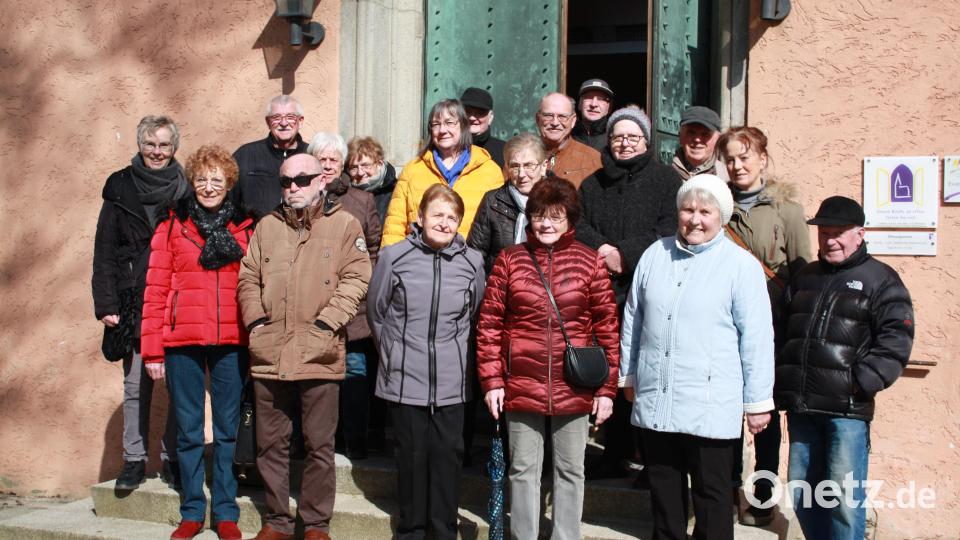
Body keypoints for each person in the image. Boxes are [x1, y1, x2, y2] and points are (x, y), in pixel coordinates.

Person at [620, 174, 775, 540]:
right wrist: (628, 376)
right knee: (664, 493)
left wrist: (757, 402)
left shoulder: (740, 266)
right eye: (688, 210)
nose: (695, 219)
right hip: (658, 396)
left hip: (709, 403)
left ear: (721, 216)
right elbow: (633, 319)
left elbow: (756, 338)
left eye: (705, 212)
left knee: (712, 495)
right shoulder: (655, 255)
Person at [476, 177, 620, 540]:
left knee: (571, 469)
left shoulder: (589, 261)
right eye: (539, 215)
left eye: (556, 216)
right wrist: (492, 381)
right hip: (521, 381)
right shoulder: (510, 260)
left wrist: (606, 390)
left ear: (570, 220)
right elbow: (490, 324)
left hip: (574, 383)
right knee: (523, 469)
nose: (546, 224)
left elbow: (607, 327)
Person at [237, 154, 371, 540]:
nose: (293, 187)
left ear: (321, 181)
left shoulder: (344, 224)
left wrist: (327, 324)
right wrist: (256, 323)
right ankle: (277, 521)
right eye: (286, 181)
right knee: (270, 444)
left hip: (320, 351)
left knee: (319, 445)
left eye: (302, 179)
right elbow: (248, 279)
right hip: (270, 351)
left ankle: (315, 525)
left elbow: (357, 277)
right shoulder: (267, 227)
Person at [775, 196, 914, 540]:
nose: (830, 240)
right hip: (803, 408)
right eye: (824, 232)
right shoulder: (805, 277)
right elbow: (782, 332)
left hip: (846, 412)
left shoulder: (881, 279)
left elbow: (896, 339)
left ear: (859, 234)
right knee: (803, 492)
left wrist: (860, 382)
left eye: (838, 233)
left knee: (843, 500)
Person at [139, 145, 256, 540]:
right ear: (192, 182)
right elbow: (155, 289)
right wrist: (152, 349)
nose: (208, 187)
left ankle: (224, 511)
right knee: (188, 431)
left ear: (229, 183)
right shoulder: (172, 225)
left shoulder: (246, 227)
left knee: (226, 431)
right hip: (182, 340)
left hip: (231, 340)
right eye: (202, 179)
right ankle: (191, 510)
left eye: (216, 180)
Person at [367, 185, 486, 540]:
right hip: (405, 377)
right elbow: (377, 312)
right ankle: (412, 531)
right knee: (412, 458)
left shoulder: (472, 262)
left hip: (452, 381)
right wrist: (393, 355)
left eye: (452, 217)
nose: (444, 223)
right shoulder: (394, 257)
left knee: (448, 458)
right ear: (420, 217)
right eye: (437, 215)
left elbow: (475, 315)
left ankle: (443, 531)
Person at [577, 107, 682, 480]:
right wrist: (605, 250)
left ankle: (652, 461)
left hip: (649, 289)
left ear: (646, 141)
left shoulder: (667, 182)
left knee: (646, 372)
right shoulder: (592, 184)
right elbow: (578, 224)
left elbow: (669, 228)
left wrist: (626, 254)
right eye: (618, 136)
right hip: (603, 290)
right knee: (611, 371)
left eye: (632, 137)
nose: (624, 143)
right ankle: (614, 452)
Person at [719, 126, 812, 525]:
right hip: (724, 326)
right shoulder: (717, 205)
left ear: (762, 159)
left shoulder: (786, 210)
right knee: (725, 412)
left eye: (744, 157)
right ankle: (724, 491)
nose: (737, 165)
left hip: (772, 327)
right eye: (730, 159)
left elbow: (802, 274)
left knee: (766, 415)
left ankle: (762, 495)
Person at [92, 115, 188, 492]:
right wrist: (106, 303)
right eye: (150, 144)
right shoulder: (120, 186)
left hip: (176, 299)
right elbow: (104, 250)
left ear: (174, 147)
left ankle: (173, 458)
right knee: (135, 385)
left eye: (164, 144)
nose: (157, 152)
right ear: (140, 145)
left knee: (180, 383)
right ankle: (134, 459)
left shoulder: (187, 188)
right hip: (133, 300)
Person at [308, 132, 382, 460]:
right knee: (317, 377)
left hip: (354, 306)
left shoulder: (361, 200)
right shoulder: (300, 197)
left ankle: (356, 441)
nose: (327, 165)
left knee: (354, 374)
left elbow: (375, 248)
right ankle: (321, 441)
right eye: (321, 159)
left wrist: (361, 283)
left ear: (343, 165)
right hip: (312, 306)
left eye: (333, 160)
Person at [380, 99, 503, 247]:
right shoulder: (413, 170)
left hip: (469, 258)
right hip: (418, 257)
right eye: (436, 124)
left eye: (449, 123)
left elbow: (499, 229)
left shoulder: (490, 171)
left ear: (463, 126)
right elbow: (395, 225)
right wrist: (391, 258)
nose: (442, 130)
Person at [468, 132, 550, 274]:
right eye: (515, 166)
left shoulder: (559, 201)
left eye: (529, 165)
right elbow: (475, 253)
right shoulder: (493, 201)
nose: (522, 174)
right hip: (500, 283)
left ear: (543, 167)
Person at [231, 95, 310, 218]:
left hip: (301, 229)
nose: (283, 123)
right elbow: (228, 201)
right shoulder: (245, 155)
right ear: (268, 122)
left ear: (300, 121)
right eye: (276, 117)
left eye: (290, 117)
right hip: (254, 229)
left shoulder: (311, 155)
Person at [536, 92, 601, 188]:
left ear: (573, 121)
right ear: (538, 119)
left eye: (562, 117)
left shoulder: (592, 159)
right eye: (548, 115)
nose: (555, 123)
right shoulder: (522, 155)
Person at [347, 136, 398, 228]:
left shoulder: (396, 193)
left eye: (366, 165)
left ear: (379, 164)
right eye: (354, 168)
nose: (360, 172)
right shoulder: (344, 194)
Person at [672, 106, 727, 181]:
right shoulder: (664, 175)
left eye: (705, 134)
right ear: (680, 136)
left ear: (717, 140)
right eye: (691, 133)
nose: (697, 139)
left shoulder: (728, 178)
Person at [460, 87, 506, 168]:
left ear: (490, 117)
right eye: (467, 112)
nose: (472, 118)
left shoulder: (504, 151)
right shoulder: (446, 148)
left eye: (479, 113)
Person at [572, 78, 614, 152]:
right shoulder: (566, 135)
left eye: (601, 99)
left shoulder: (615, 137)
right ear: (579, 104)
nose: (593, 104)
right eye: (588, 97)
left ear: (609, 108)